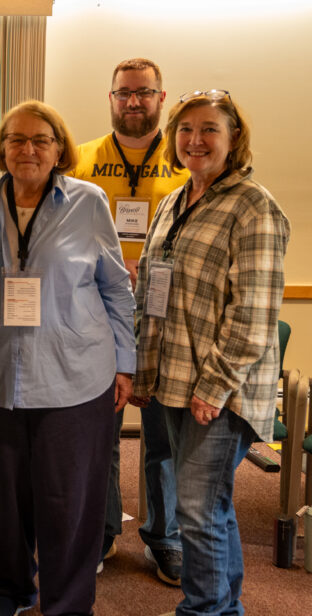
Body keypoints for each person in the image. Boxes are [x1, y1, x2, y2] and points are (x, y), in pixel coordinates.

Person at [0, 100, 135, 616]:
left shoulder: (88, 202)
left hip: (75, 376)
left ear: (59, 148)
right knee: (1, 498)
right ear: (1, 148)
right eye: (17, 139)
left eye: (41, 139)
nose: (29, 149)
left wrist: (125, 363)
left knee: (69, 500)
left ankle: (66, 601)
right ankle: (15, 588)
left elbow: (116, 288)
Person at [132, 90, 289, 616]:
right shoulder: (176, 201)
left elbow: (254, 313)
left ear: (234, 139)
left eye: (209, 129)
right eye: (185, 129)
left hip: (218, 389)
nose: (194, 140)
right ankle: (225, 608)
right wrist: (142, 368)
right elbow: (154, 291)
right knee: (210, 509)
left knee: (197, 510)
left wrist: (214, 387)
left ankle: (204, 610)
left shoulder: (253, 205)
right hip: (174, 377)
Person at [66, 58, 188, 584]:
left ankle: (165, 537)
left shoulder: (187, 155)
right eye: (123, 94)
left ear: (162, 98)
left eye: (144, 93)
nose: (133, 102)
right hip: (98, 313)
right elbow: (63, 228)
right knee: (101, 433)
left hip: (168, 317)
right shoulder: (83, 158)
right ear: (110, 98)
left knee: (163, 436)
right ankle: (102, 529)